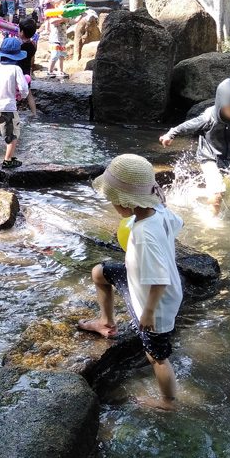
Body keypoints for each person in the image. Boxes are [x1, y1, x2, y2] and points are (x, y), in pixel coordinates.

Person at [76, 154, 183, 410]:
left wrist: (148, 314)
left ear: (125, 202)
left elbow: (160, 279)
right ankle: (106, 322)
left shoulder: (145, 233)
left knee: (156, 355)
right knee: (100, 273)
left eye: (113, 200)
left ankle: (168, 402)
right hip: (139, 281)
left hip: (155, 302)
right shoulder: (156, 211)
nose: (112, 205)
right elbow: (177, 225)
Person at [160, 78, 230, 215]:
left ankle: (190, 192)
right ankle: (210, 223)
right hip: (208, 158)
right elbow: (187, 126)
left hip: (227, 157)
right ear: (221, 104)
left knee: (226, 190)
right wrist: (170, 134)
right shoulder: (208, 118)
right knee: (218, 194)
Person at [0, 37, 28, 168]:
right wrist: (22, 96)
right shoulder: (16, 69)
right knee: (13, 132)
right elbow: (24, 88)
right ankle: (8, 160)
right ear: (17, 56)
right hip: (7, 106)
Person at [16, 18, 38, 117]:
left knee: (13, 93)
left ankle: (13, 113)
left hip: (17, 73)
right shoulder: (33, 45)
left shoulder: (19, 45)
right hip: (26, 73)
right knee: (29, 94)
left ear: (22, 32)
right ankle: (34, 114)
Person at [47, 14, 68, 80]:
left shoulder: (66, 19)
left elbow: (74, 21)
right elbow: (52, 22)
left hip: (63, 41)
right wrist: (62, 19)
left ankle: (60, 71)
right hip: (55, 40)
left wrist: (81, 16)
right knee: (55, 55)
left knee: (61, 56)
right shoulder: (53, 18)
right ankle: (49, 71)